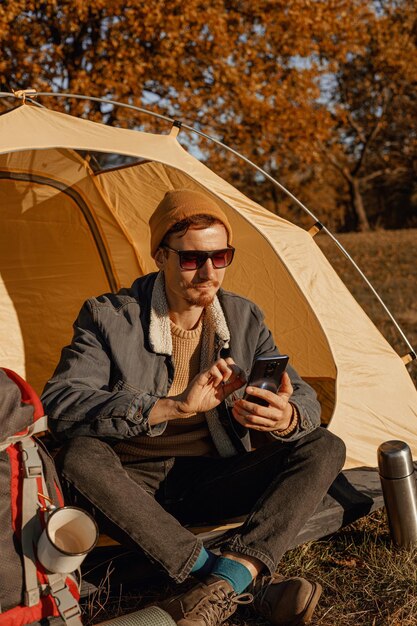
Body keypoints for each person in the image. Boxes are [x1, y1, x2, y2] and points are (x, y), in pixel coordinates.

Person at [42, 189, 346, 626]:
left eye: (220, 257)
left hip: (212, 474)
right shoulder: (107, 316)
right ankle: (235, 583)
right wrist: (169, 407)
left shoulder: (244, 318)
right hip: (127, 486)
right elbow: (63, 404)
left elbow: (303, 398)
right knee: (79, 457)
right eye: (191, 259)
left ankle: (220, 586)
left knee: (324, 446)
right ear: (160, 256)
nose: (208, 272)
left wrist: (287, 416)